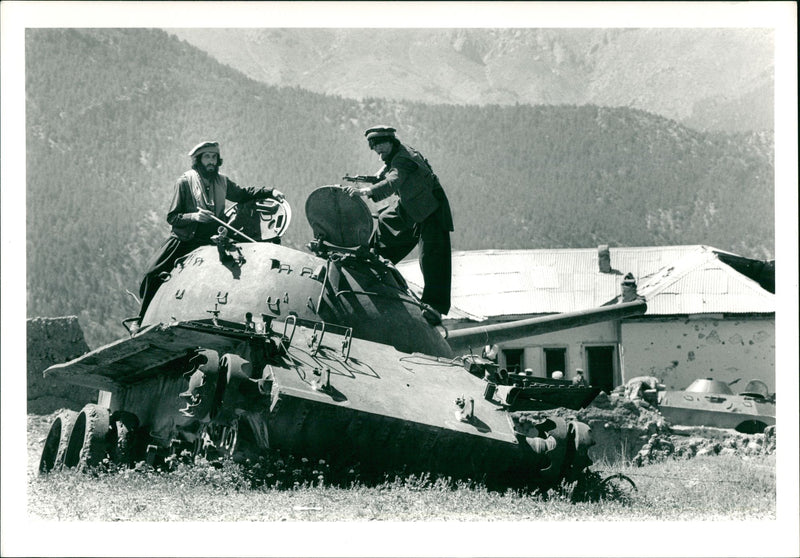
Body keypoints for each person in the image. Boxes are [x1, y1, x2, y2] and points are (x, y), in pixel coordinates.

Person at [135, 141, 284, 325]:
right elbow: (173, 217)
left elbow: (243, 194)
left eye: (214, 157)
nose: (211, 162)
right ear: (198, 160)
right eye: (207, 157)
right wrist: (195, 217)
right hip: (183, 239)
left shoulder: (222, 182)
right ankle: (141, 320)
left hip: (210, 241)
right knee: (152, 273)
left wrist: (270, 192)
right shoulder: (184, 182)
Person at [344, 126, 454, 324]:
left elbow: (394, 180)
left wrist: (367, 191)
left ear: (390, 142)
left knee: (431, 257)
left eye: (381, 147)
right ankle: (373, 263)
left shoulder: (403, 158)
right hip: (412, 205)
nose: (379, 152)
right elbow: (388, 172)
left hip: (432, 208)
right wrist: (371, 179)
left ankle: (434, 307)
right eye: (375, 148)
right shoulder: (396, 154)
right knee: (387, 220)